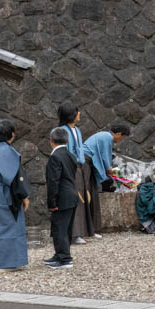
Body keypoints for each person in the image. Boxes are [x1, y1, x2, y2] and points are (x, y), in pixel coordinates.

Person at [58, 102, 96, 244]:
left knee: (83, 197)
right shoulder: (63, 131)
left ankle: (83, 231)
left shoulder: (77, 130)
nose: (79, 114)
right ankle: (74, 234)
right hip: (70, 168)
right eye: (77, 112)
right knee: (75, 198)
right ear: (71, 114)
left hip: (80, 166)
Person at [0, 120, 30, 272]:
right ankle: (6, 263)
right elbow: (15, 179)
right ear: (11, 135)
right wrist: (24, 196)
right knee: (8, 226)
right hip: (3, 194)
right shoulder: (8, 152)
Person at [45, 127, 78, 269]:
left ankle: (65, 258)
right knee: (65, 228)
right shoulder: (71, 155)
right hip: (72, 194)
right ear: (67, 140)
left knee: (59, 228)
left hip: (62, 196)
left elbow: (53, 181)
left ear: (51, 140)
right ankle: (60, 254)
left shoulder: (55, 157)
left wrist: (51, 201)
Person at [81, 123, 130, 193]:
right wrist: (115, 174)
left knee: (92, 185)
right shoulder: (108, 137)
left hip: (87, 159)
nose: (121, 140)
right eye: (123, 137)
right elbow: (105, 157)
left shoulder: (105, 135)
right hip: (85, 159)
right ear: (119, 134)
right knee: (85, 186)